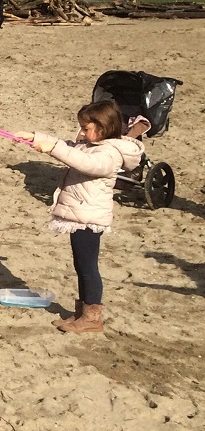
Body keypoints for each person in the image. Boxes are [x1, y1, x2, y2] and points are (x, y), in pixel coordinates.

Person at [15, 100, 143, 334]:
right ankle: (83, 312)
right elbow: (68, 147)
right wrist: (35, 137)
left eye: (86, 128)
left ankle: (92, 318)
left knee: (87, 267)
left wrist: (52, 149)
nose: (81, 132)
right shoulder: (91, 144)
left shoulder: (109, 153)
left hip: (89, 217)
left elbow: (85, 163)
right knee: (81, 265)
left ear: (103, 128)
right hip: (80, 214)